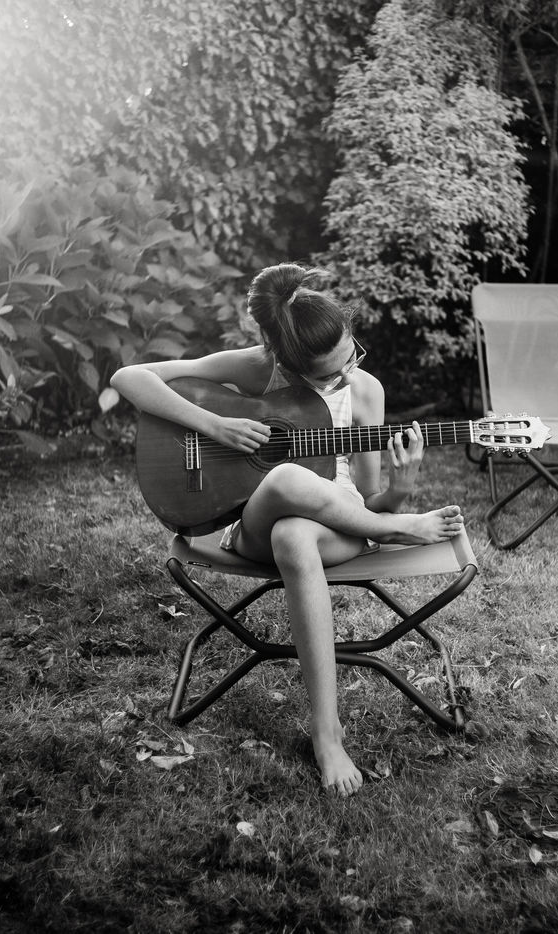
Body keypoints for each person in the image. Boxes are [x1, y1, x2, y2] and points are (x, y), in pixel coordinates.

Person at [110, 263, 464, 796]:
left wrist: (402, 488)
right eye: (329, 374)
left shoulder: (366, 392)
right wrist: (215, 425)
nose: (347, 372)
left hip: (338, 526)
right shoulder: (261, 369)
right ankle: (394, 530)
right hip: (255, 520)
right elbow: (129, 377)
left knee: (293, 536)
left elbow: (369, 494)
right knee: (284, 478)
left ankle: (327, 733)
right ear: (288, 363)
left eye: (352, 354)